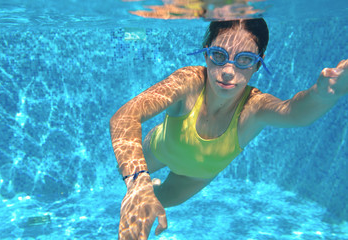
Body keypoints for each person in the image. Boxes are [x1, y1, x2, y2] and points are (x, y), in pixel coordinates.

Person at [109, 18, 348, 240]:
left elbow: (293, 112)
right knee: (134, 193)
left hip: (193, 178)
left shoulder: (254, 108)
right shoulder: (188, 81)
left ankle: (152, 188)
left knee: (153, 205)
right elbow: (124, 117)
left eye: (244, 59)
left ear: (258, 62)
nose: (228, 71)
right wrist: (137, 183)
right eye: (218, 55)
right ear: (205, 51)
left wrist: (324, 95)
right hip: (159, 148)